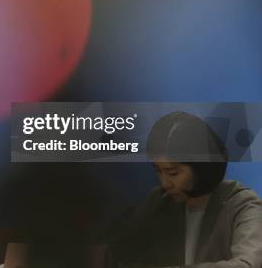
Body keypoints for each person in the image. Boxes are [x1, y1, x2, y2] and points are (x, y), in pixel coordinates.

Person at [106, 111, 262, 268]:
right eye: (158, 171)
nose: (165, 183)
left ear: (202, 166)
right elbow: (122, 254)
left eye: (173, 173)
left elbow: (249, 264)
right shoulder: (159, 201)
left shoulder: (243, 204)